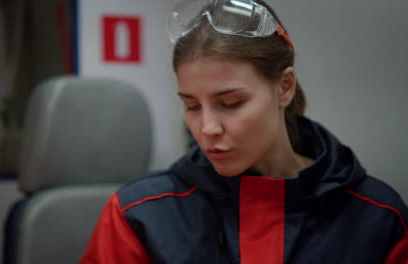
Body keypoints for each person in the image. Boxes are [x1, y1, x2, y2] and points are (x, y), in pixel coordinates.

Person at [80, 0, 408, 263]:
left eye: (231, 103)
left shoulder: (378, 217)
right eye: (191, 106)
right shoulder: (139, 215)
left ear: (284, 87)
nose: (207, 129)